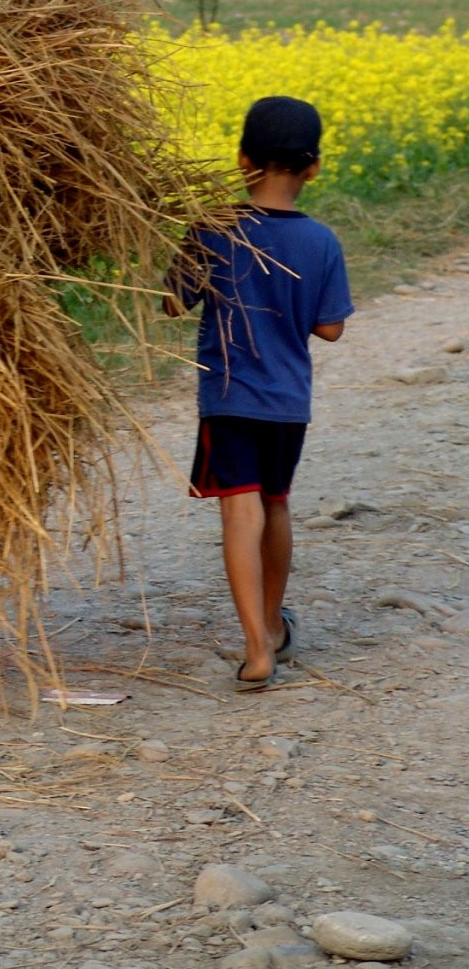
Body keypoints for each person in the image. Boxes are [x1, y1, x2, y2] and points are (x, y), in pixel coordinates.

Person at [163, 96, 352, 693]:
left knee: (238, 510)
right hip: (288, 403)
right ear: (313, 168)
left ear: (242, 160)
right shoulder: (322, 242)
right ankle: (272, 626)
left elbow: (172, 301)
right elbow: (331, 327)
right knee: (275, 503)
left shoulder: (214, 228)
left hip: (229, 397)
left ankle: (255, 651)